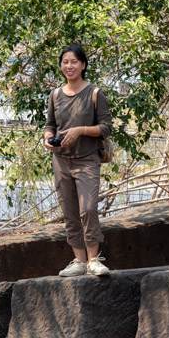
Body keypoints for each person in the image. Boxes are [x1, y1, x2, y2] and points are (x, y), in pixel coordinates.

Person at [43, 43, 113, 277]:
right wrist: (48, 138)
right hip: (61, 160)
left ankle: (94, 259)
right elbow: (50, 125)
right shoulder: (55, 95)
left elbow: (105, 127)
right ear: (61, 66)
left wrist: (81, 130)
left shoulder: (94, 93)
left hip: (87, 160)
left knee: (89, 208)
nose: (69, 66)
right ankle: (79, 260)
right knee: (70, 211)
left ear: (83, 65)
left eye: (74, 61)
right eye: (65, 62)